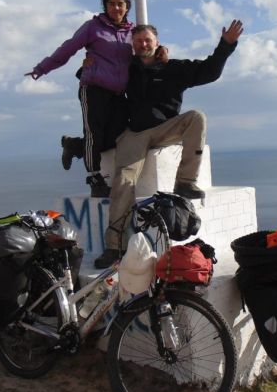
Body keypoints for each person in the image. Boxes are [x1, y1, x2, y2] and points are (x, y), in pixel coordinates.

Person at [95, 19, 244, 268]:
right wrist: (87, 66)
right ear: (133, 45)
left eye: (148, 40)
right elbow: (99, 76)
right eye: (139, 41)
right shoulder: (126, 69)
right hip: (136, 132)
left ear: (157, 42)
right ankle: (115, 246)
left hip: (166, 127)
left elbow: (209, 71)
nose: (143, 44)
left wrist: (226, 45)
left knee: (197, 117)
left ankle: (184, 183)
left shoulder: (174, 68)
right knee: (123, 181)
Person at [27, 0, 167, 197]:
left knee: (117, 136)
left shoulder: (132, 31)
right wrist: (42, 68)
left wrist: (162, 50)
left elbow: (146, 45)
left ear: (127, 6)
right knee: (94, 132)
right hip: (93, 88)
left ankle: (74, 145)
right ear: (106, 5)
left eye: (120, 4)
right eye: (111, 4)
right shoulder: (93, 27)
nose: (116, 8)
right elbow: (68, 47)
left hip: (119, 93)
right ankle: (95, 179)